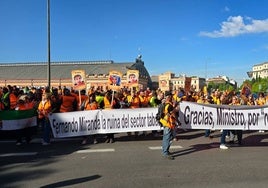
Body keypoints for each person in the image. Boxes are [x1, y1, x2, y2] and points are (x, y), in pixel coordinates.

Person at [159, 93, 178, 160]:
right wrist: (175, 109)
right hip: (168, 123)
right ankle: (165, 152)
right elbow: (171, 114)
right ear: (168, 97)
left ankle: (165, 150)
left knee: (167, 137)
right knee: (168, 138)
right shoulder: (169, 105)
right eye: (170, 96)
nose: (171, 97)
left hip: (167, 123)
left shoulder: (166, 104)